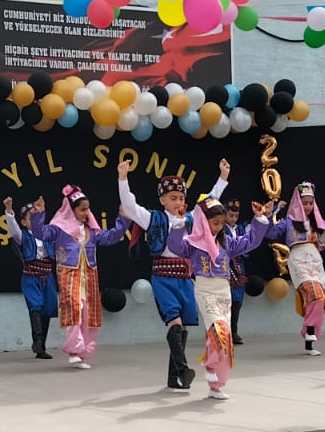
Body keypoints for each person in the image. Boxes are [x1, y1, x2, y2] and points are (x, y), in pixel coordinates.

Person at [117, 157, 229, 392]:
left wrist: (222, 178)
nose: (178, 201)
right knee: (174, 323)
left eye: (181, 198)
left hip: (186, 277)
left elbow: (208, 201)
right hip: (163, 276)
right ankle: (183, 369)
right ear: (162, 200)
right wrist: (123, 179)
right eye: (173, 198)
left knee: (184, 327)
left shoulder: (191, 219)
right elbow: (129, 205)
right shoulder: (154, 218)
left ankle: (174, 378)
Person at [167, 196, 274, 399]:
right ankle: (209, 366)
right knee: (219, 330)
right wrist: (179, 224)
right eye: (214, 223)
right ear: (203, 222)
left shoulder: (227, 244)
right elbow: (175, 246)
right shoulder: (194, 244)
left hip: (223, 291)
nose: (218, 227)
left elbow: (251, 241)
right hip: (205, 290)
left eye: (221, 223)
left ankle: (216, 385)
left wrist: (258, 219)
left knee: (225, 340)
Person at [29, 184, 133, 369]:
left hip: (89, 275)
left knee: (89, 313)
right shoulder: (59, 228)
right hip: (69, 273)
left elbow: (110, 237)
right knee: (74, 307)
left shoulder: (91, 230)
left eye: (87, 209)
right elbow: (40, 233)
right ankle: (73, 350)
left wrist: (123, 218)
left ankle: (83, 351)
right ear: (71, 209)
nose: (86, 213)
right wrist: (38, 214)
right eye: (82, 209)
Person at [274, 181, 325, 356]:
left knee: (319, 297)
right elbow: (270, 233)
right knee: (312, 292)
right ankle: (309, 332)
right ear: (297, 202)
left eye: (311, 203)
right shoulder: (288, 222)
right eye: (304, 203)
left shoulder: (319, 223)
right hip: (298, 259)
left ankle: (310, 334)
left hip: (315, 261)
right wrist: (268, 215)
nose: (308, 206)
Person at [3, 195, 59, 360]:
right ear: (24, 223)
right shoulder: (23, 236)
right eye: (31, 218)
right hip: (31, 277)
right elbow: (12, 228)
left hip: (48, 277)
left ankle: (41, 348)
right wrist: (8, 210)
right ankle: (38, 341)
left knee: (47, 309)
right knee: (35, 306)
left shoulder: (48, 234)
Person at [223, 198, 249, 345]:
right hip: (226, 265)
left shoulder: (239, 229)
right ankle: (224, 332)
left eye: (235, 216)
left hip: (238, 266)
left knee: (238, 301)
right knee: (226, 300)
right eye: (230, 215)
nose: (233, 219)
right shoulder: (220, 228)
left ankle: (234, 331)